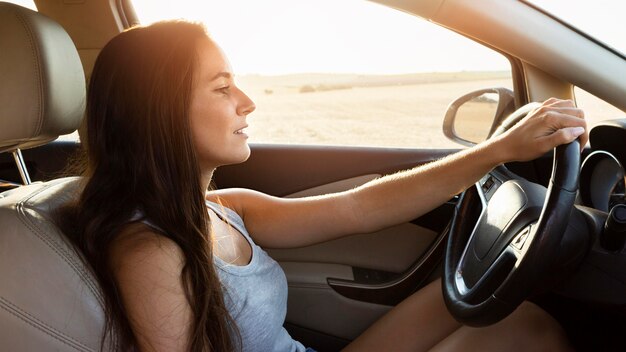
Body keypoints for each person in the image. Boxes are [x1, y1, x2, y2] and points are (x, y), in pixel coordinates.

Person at [58, 20, 586, 352]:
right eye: (222, 88)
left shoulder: (222, 208)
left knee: (509, 315)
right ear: (160, 113)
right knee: (523, 334)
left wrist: (494, 152)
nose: (248, 101)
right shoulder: (149, 253)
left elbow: (359, 209)